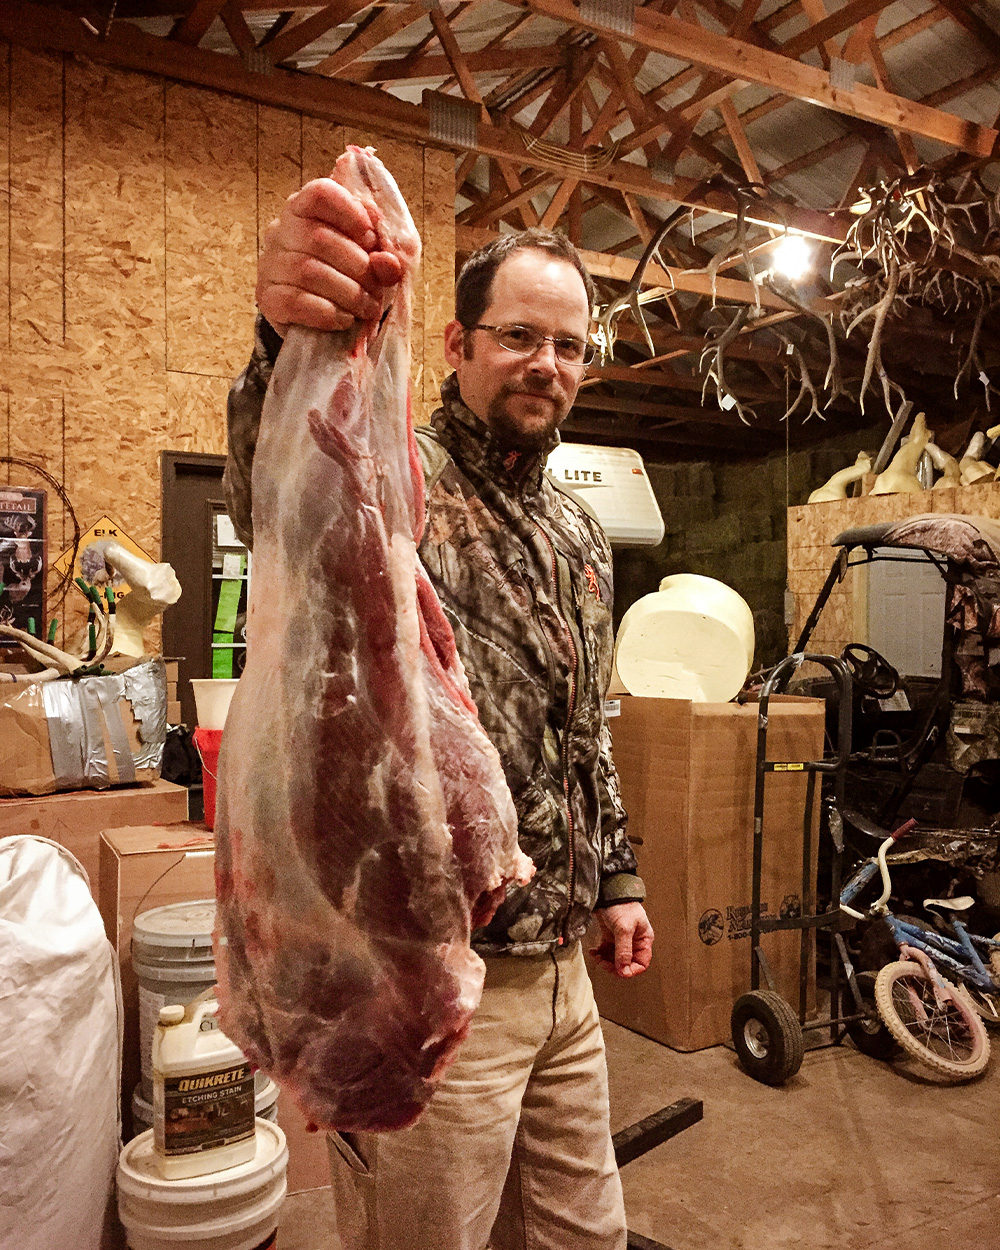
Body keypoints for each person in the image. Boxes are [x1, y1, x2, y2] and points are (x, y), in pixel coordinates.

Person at [224, 168, 655, 1250]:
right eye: (519, 335)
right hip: (439, 981)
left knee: (583, 1234)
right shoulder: (397, 471)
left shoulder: (577, 534)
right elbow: (273, 493)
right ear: (457, 343)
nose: (545, 364)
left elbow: (583, 731)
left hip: (565, 977)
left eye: (568, 346)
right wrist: (290, 343)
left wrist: (619, 879)